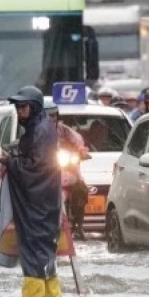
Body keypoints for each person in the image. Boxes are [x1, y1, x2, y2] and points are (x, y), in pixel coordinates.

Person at [5, 87, 64, 297]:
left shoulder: (40, 130)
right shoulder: (39, 128)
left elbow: (36, 167)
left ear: (35, 107)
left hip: (39, 206)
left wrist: (10, 162)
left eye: (23, 107)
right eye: (17, 107)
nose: (19, 111)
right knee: (44, 254)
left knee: (35, 251)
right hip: (43, 205)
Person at [48, 99, 90, 235]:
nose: (51, 118)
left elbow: (76, 141)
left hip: (65, 167)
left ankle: (79, 225)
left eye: (53, 115)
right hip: (44, 170)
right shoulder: (36, 131)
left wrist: (81, 151)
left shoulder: (64, 130)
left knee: (81, 187)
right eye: (48, 115)